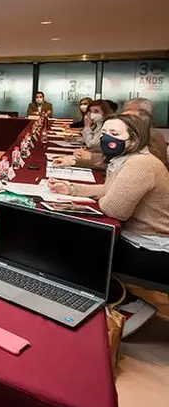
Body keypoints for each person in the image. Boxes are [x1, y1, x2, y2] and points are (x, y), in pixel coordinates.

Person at [48, 114, 169, 288]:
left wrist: (107, 196)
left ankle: (103, 299)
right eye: (104, 133)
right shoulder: (129, 158)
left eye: (115, 133)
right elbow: (110, 190)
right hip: (141, 238)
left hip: (152, 247)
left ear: (134, 139)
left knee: (71, 246)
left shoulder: (140, 164)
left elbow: (114, 210)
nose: (107, 138)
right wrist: (72, 188)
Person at [54, 100, 114, 169]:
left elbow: (91, 144)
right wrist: (76, 139)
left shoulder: (106, 125)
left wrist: (87, 126)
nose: (92, 114)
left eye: (96, 111)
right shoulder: (97, 124)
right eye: (91, 112)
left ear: (105, 112)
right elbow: (90, 138)